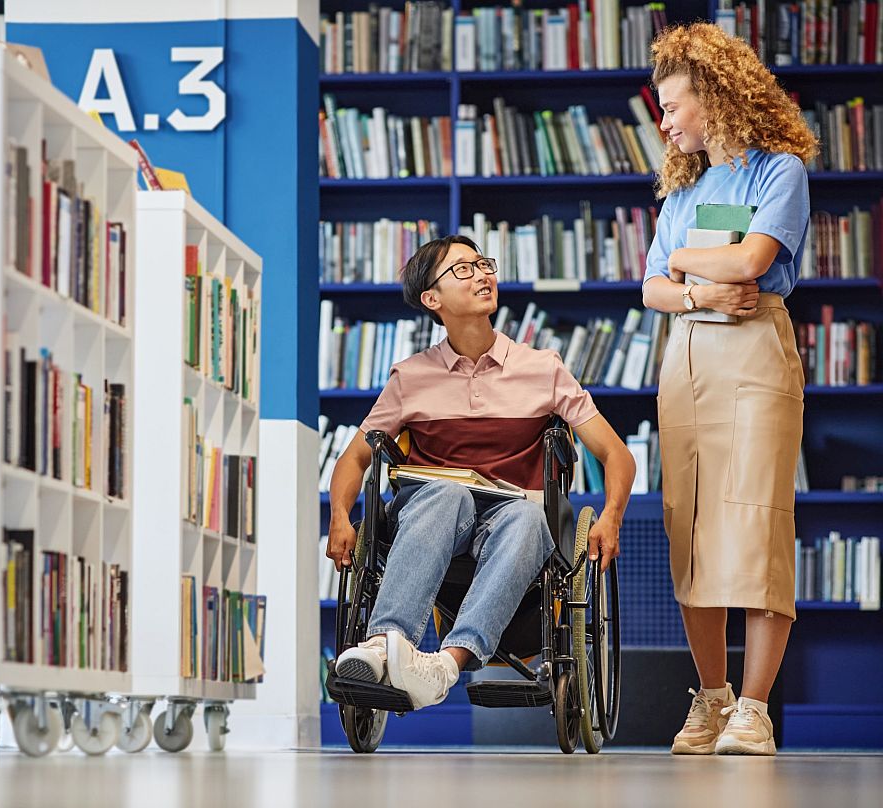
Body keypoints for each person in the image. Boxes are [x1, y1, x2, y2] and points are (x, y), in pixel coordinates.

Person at [326, 235, 635, 710]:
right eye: (463, 270)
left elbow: (618, 455)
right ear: (432, 299)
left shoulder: (542, 368)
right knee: (446, 493)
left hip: (516, 514)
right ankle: (385, 644)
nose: (483, 275)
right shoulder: (409, 377)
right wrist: (340, 518)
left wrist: (612, 515)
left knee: (530, 517)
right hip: (433, 514)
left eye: (483, 265)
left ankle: (443, 667)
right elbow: (354, 458)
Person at [642, 23, 818, 756]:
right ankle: (711, 699)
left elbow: (751, 261)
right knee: (692, 531)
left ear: (713, 97)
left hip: (755, 357)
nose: (665, 121)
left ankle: (754, 708)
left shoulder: (779, 170)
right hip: (687, 359)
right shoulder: (681, 188)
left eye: (674, 104)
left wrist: (688, 265)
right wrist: (697, 293)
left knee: (757, 524)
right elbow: (652, 287)